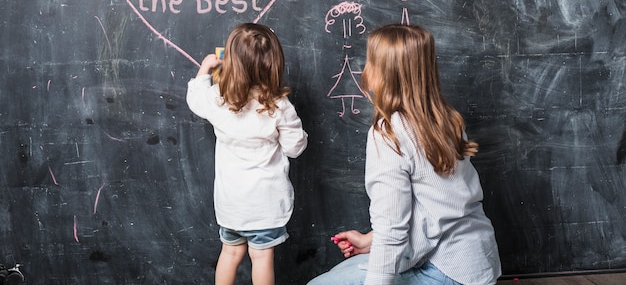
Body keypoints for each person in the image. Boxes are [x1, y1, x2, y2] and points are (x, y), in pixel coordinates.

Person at [308, 24, 501, 285]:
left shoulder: (389, 134)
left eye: (370, 61)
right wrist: (369, 241)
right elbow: (435, 209)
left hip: (443, 269)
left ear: (385, 73)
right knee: (339, 275)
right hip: (476, 264)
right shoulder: (445, 119)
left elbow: (392, 230)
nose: (364, 68)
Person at [186, 23, 308, 285]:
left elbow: (195, 100)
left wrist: (205, 70)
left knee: (230, 253)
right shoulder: (278, 105)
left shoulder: (218, 98)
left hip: (232, 204)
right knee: (261, 257)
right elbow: (295, 148)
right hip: (265, 204)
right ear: (273, 63)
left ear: (230, 61)